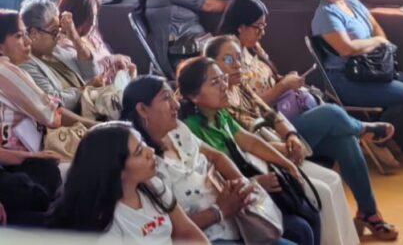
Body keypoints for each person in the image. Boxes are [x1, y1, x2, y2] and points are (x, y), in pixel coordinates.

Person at [218, 0, 399, 240]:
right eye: (258, 27)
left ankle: (369, 212)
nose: (262, 32)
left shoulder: (253, 48)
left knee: (345, 141)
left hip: (284, 122)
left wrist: (286, 83)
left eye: (264, 26)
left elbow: (265, 94)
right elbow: (251, 109)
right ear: (240, 26)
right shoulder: (228, 61)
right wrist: (283, 87)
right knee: (331, 113)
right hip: (264, 135)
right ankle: (364, 129)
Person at [205, 34, 367, 245]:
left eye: (238, 58)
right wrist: (282, 151)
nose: (236, 65)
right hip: (261, 162)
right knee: (323, 192)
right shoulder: (219, 101)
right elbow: (244, 146)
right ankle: (363, 128)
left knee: (334, 179)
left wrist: (291, 136)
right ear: (212, 65)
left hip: (275, 150)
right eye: (228, 60)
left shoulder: (241, 86)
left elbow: (271, 114)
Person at [121, 75, 295, 245]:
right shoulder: (146, 165)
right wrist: (220, 210)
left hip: (237, 217)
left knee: (299, 228)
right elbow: (171, 231)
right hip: (209, 235)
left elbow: (217, 157)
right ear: (143, 109)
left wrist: (243, 185)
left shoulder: (178, 130)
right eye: (166, 98)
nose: (176, 104)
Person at [177, 56, 322, 245]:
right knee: (299, 229)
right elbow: (212, 181)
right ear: (194, 96)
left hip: (253, 185)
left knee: (310, 215)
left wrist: (287, 164)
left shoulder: (220, 113)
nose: (224, 86)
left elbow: (250, 142)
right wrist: (255, 182)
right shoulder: (191, 130)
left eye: (222, 78)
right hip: (237, 204)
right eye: (214, 82)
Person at [309, 0, 403, 156]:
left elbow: (375, 27)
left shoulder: (351, 1)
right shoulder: (326, 15)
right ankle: (377, 139)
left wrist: (377, 42)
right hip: (346, 78)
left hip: (370, 67)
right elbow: (346, 49)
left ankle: (378, 134)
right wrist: (377, 42)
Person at [0, 10, 94, 224]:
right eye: (18, 36)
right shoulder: (5, 70)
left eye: (26, 34)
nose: (27, 41)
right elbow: (51, 115)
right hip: (14, 165)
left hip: (17, 160)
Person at [48, 121, 209, 244]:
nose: (150, 151)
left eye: (143, 143)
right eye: (139, 152)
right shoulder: (105, 226)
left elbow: (187, 231)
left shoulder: (153, 186)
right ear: (117, 170)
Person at [20, 0, 100, 111]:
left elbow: (92, 73)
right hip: (77, 118)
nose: (58, 37)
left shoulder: (56, 51)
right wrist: (86, 89)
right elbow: (54, 101)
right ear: (34, 34)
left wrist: (75, 38)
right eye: (54, 32)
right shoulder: (26, 65)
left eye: (59, 30)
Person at [58, 0, 137, 85]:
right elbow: (88, 76)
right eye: (93, 16)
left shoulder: (91, 35)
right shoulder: (65, 45)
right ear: (83, 17)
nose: (94, 22)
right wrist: (112, 60)